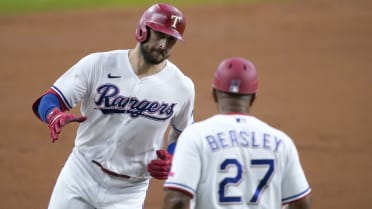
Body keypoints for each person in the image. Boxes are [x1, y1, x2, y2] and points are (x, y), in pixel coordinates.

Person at [32, 3, 195, 209]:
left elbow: (183, 134)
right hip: (80, 174)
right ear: (142, 30)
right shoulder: (97, 64)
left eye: (171, 39)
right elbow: (50, 98)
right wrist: (52, 114)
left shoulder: (182, 87)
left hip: (129, 191)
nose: (163, 44)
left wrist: (171, 158)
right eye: (159, 34)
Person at [161, 57, 312, 209]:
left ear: (214, 94)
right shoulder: (281, 142)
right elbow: (302, 203)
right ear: (253, 97)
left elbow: (177, 200)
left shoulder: (195, 136)